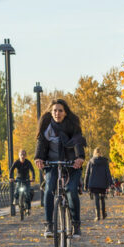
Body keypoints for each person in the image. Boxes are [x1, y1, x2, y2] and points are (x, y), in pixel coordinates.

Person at [34, 99, 86, 239]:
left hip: (71, 165)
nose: (57, 113)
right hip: (52, 164)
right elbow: (41, 143)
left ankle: (76, 225)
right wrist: (38, 157)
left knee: (71, 191)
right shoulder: (46, 128)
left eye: (60, 110)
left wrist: (79, 157)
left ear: (65, 112)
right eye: (55, 110)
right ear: (51, 112)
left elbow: (78, 142)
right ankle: (49, 225)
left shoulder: (72, 126)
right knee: (49, 188)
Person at [84, 147, 113, 221]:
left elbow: (87, 174)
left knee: (96, 199)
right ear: (101, 153)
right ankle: (103, 214)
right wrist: (110, 183)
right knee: (102, 198)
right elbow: (108, 173)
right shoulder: (104, 161)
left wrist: (85, 185)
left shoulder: (90, 161)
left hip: (93, 183)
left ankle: (97, 216)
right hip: (103, 183)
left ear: (94, 153)